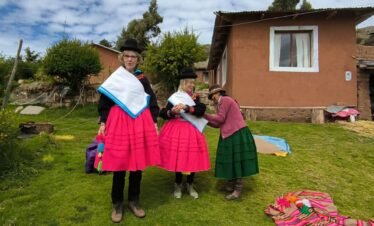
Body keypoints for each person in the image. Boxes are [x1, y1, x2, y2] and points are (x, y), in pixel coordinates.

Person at [97, 38, 160, 223]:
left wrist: (154, 119)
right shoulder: (116, 78)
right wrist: (103, 120)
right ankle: (117, 204)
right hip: (118, 123)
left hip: (139, 123)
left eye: (133, 56)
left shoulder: (142, 79)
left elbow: (152, 100)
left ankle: (134, 201)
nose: (130, 59)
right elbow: (104, 102)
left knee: (137, 164)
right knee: (119, 163)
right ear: (122, 57)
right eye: (127, 56)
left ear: (138, 59)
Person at [158, 68, 210, 199]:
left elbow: (201, 110)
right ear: (183, 83)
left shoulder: (195, 97)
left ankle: (190, 184)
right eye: (189, 83)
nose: (192, 85)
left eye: (193, 83)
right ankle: (178, 184)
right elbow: (164, 112)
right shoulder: (175, 97)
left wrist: (187, 107)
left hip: (191, 130)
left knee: (192, 156)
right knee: (178, 157)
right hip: (177, 129)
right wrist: (173, 112)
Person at [204, 84, 259, 200]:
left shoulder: (225, 100)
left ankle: (237, 189)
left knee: (237, 161)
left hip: (237, 133)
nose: (212, 99)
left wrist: (204, 115)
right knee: (230, 159)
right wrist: (204, 121)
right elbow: (218, 124)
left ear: (217, 93)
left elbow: (220, 119)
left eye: (212, 96)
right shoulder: (221, 103)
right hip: (230, 133)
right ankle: (231, 184)